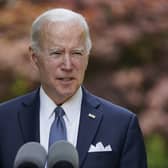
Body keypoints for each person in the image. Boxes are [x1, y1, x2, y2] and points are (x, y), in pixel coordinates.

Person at [0, 8, 147, 168]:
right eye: (56, 53)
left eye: (77, 53)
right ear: (35, 58)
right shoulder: (4, 120)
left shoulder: (121, 125)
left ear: (87, 58)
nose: (68, 65)